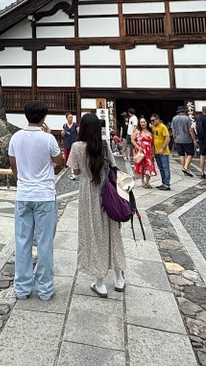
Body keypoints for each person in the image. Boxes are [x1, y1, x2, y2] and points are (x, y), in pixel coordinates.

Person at [8, 100, 64, 301]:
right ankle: (45, 288)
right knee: (45, 242)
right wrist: (50, 136)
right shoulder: (48, 139)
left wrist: (22, 181)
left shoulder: (15, 138)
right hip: (45, 195)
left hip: (24, 194)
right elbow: (59, 162)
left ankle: (22, 288)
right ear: (43, 117)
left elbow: (13, 165)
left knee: (22, 241)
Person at [67, 113, 126, 298]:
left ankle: (100, 282)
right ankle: (119, 278)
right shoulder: (105, 145)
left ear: (83, 128)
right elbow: (114, 167)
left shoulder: (77, 147)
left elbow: (75, 171)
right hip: (107, 192)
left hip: (88, 193)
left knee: (93, 233)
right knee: (112, 232)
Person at [131, 116, 157, 188]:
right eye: (141, 122)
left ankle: (147, 182)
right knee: (141, 166)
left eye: (144, 122)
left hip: (148, 152)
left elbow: (152, 144)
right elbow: (132, 139)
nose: (143, 123)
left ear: (147, 122)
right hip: (141, 151)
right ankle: (143, 181)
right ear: (139, 123)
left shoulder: (150, 132)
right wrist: (138, 147)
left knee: (149, 166)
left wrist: (153, 153)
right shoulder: (137, 131)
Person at [171, 104, 195, 177]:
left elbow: (173, 129)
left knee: (181, 155)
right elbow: (190, 129)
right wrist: (194, 139)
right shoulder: (187, 118)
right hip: (187, 139)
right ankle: (185, 167)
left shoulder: (174, 118)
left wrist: (174, 137)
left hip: (178, 139)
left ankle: (184, 168)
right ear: (184, 111)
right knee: (190, 154)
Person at [150, 113, 172, 191]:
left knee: (165, 167)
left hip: (163, 151)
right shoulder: (152, 127)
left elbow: (167, 138)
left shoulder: (163, 126)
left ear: (157, 119)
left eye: (153, 120)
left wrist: (163, 147)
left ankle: (167, 184)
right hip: (156, 151)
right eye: (151, 121)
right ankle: (163, 182)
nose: (152, 122)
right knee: (161, 168)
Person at [61, 112, 78, 177]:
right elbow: (63, 134)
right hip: (67, 142)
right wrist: (62, 133)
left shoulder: (75, 125)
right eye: (69, 117)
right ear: (67, 118)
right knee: (66, 156)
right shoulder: (64, 125)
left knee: (74, 155)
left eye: (72, 117)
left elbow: (78, 132)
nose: (71, 119)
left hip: (74, 143)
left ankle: (74, 168)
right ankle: (66, 170)